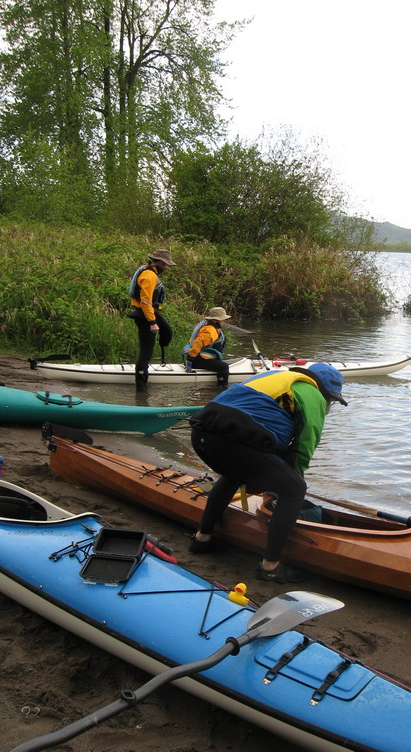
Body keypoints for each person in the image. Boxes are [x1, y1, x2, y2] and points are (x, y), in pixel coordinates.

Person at [188, 362, 348, 583]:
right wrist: (287, 485)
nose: (329, 404)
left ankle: (202, 539)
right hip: (234, 438)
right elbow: (304, 446)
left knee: (235, 474)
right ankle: (270, 567)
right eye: (331, 399)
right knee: (294, 488)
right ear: (326, 392)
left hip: (201, 433)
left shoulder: (276, 377)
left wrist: (274, 480)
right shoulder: (312, 393)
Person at [128, 249, 176, 390]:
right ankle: (141, 389)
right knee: (146, 352)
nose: (167, 268)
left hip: (148, 312)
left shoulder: (149, 271)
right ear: (160, 263)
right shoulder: (149, 276)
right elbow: (146, 302)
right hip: (145, 314)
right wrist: (152, 323)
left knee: (167, 331)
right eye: (166, 265)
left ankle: (161, 352)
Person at [182, 306, 231, 386]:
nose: (224, 321)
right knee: (224, 367)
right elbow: (198, 343)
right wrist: (190, 359)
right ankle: (221, 388)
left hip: (200, 358)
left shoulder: (212, 328)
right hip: (198, 360)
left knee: (220, 363)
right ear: (217, 320)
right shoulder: (210, 330)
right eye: (223, 320)